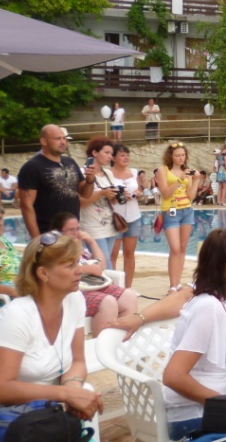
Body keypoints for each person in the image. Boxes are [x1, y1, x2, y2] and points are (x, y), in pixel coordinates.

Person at [0, 231, 103, 439]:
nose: (80, 270)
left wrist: (73, 387)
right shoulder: (17, 315)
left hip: (33, 416)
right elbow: (0, 389)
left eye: (78, 262)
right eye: (70, 265)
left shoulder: (74, 300)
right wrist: (65, 394)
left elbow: (78, 360)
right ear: (43, 273)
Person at [162, 228, 226, 439]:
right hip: (195, 417)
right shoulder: (208, 308)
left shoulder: (222, 301)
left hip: (210, 410)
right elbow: (173, 376)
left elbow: (207, 368)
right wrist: (222, 402)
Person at [53, 213, 137, 335]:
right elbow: (59, 271)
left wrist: (92, 242)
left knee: (129, 296)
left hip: (93, 286)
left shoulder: (80, 247)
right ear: (58, 232)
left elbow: (101, 265)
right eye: (71, 230)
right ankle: (102, 344)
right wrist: (86, 269)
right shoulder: (56, 250)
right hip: (75, 291)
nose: (76, 233)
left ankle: (121, 340)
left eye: (78, 229)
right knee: (108, 302)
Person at [18, 125, 83, 237]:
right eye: (58, 139)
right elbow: (26, 206)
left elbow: (84, 193)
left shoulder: (70, 162)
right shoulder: (32, 167)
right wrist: (37, 239)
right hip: (48, 233)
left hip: (72, 232)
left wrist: (91, 179)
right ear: (44, 141)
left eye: (64, 138)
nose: (63, 142)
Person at [156, 142, 200, 291]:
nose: (181, 158)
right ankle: (173, 285)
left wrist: (196, 180)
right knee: (175, 248)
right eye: (177, 155)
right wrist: (180, 179)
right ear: (171, 156)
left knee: (182, 248)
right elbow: (166, 193)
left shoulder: (186, 171)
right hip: (171, 210)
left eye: (183, 155)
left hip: (186, 210)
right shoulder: (163, 170)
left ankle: (178, 283)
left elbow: (190, 196)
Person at [78, 136, 120, 270]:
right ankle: (112, 284)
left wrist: (117, 195)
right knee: (105, 264)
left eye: (111, 154)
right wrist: (102, 193)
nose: (110, 157)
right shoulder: (82, 172)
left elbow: (112, 201)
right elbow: (81, 203)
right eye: (106, 152)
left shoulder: (108, 173)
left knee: (106, 262)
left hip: (109, 225)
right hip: (92, 227)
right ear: (94, 153)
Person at [109, 144, 142, 287]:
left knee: (129, 253)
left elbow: (139, 189)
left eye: (127, 155)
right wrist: (119, 196)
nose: (126, 158)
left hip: (133, 216)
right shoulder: (108, 174)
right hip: (115, 217)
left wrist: (138, 193)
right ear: (113, 158)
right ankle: (113, 287)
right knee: (112, 254)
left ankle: (128, 287)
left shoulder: (134, 172)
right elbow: (106, 196)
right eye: (122, 155)